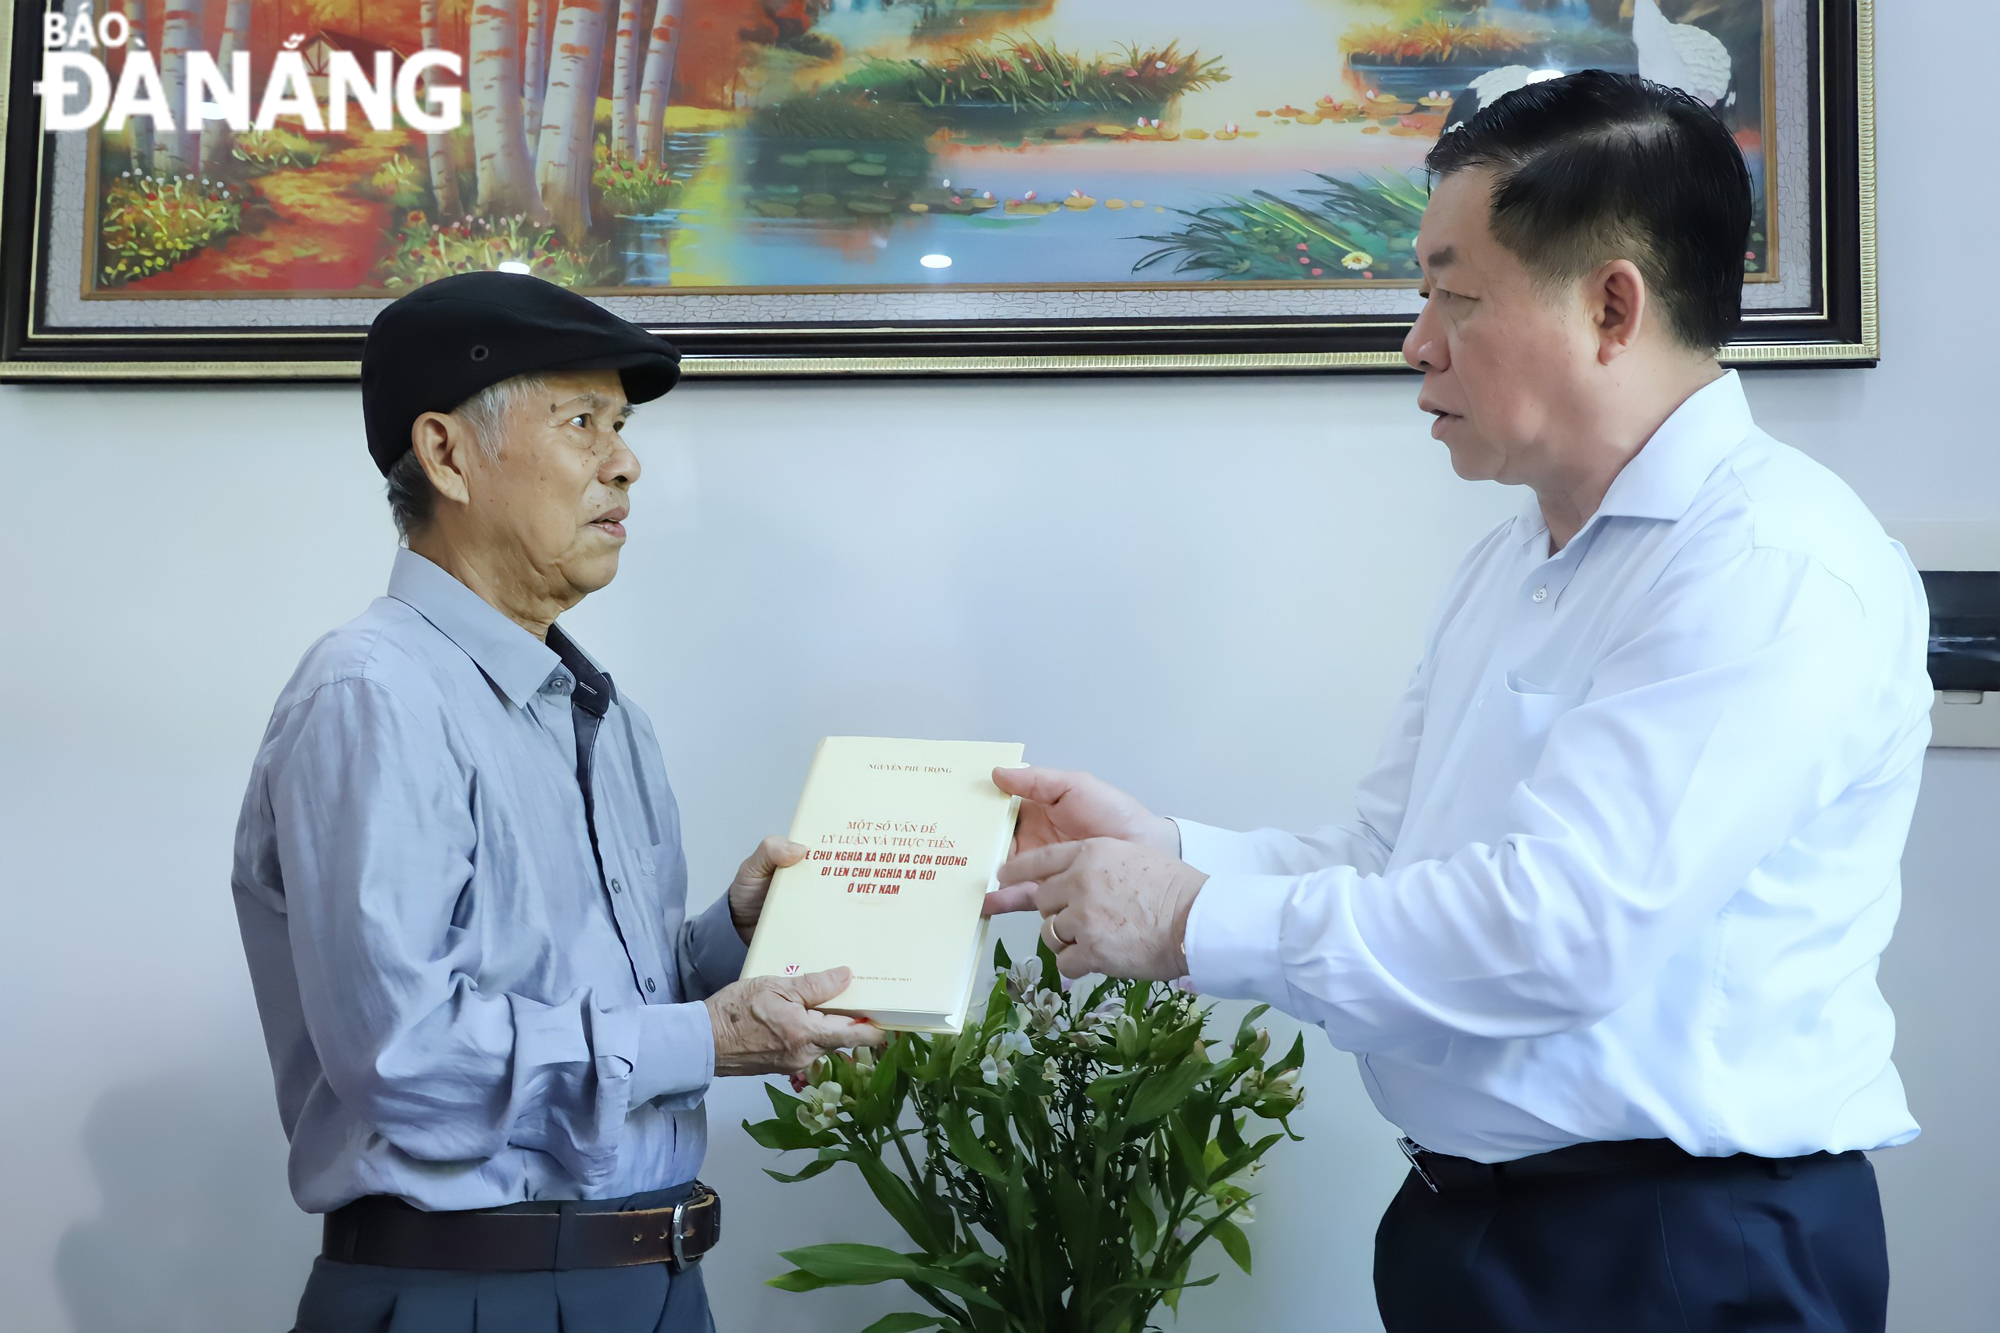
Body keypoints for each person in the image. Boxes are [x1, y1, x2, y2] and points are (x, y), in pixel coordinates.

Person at [984, 72, 1930, 1333]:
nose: (1414, 340)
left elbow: (1561, 931)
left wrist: (1193, 920)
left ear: (1609, 306)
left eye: (1452, 294)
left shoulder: (1761, 566)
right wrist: (1161, 851)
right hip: (1482, 1233)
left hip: (1672, 1251)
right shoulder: (1517, 559)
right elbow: (1390, 862)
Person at [231, 272, 886, 1333]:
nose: (624, 461)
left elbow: (583, 991)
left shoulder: (603, 713)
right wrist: (705, 1039)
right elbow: (405, 1052)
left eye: (620, 426)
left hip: (657, 1285)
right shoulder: (374, 695)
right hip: (475, 1295)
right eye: (580, 421)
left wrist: (730, 941)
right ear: (446, 454)